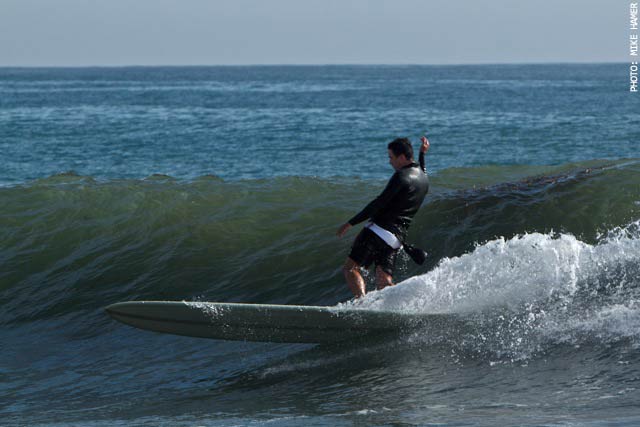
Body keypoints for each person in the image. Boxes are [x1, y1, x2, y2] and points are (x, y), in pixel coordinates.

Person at [336, 136, 430, 298]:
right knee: (384, 281)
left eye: (391, 157)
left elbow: (378, 203)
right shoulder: (423, 178)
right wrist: (422, 154)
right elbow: (422, 169)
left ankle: (362, 305)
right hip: (396, 239)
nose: (390, 162)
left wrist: (351, 223)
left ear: (401, 157)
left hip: (378, 230)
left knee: (350, 269)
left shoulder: (401, 177)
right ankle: (400, 305)